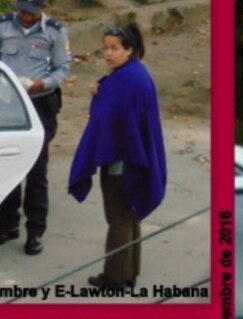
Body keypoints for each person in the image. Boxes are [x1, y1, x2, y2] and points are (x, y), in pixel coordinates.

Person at [68, 24, 167, 289]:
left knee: (118, 218)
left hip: (121, 160)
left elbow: (109, 118)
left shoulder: (126, 81)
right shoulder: (134, 74)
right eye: (106, 48)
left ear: (129, 50)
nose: (108, 54)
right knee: (131, 214)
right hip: (134, 157)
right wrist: (99, 91)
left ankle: (114, 277)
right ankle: (129, 272)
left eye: (115, 48)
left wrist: (99, 96)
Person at [0, 0, 72, 256]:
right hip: (6, 103)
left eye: (31, 13)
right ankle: (7, 224)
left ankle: (35, 232)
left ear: (41, 9)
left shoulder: (55, 31)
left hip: (39, 103)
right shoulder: (1, 26)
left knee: (36, 169)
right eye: (22, 11)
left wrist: (42, 84)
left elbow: (63, 68)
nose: (25, 17)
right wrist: (0, 81)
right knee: (8, 164)